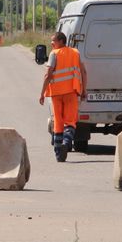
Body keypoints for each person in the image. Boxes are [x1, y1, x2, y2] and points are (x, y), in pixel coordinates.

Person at [39, 31, 87, 162]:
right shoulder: (75, 53)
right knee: (70, 122)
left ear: (61, 41)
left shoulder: (54, 54)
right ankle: (66, 143)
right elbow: (83, 72)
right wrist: (84, 90)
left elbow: (48, 74)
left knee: (58, 123)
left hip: (56, 93)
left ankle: (59, 153)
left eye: (53, 41)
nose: (51, 43)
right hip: (72, 91)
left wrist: (42, 93)